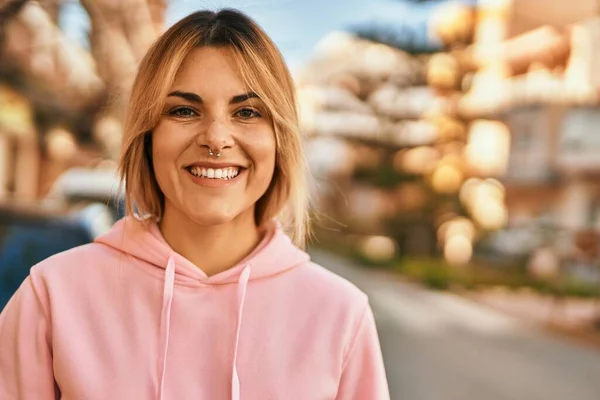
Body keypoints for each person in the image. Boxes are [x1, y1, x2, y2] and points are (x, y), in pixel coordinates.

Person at [0, 9, 389, 400]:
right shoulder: (51, 298)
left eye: (247, 112)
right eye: (184, 110)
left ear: (280, 139)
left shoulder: (341, 316)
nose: (216, 138)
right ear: (147, 135)